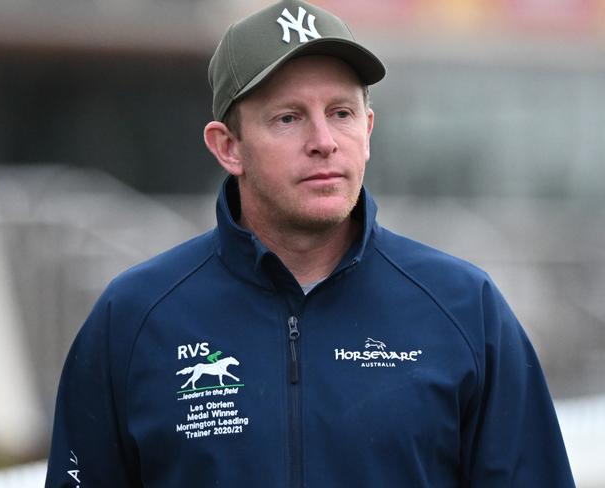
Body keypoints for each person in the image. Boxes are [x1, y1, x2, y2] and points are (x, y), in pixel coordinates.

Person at [45, 1, 575, 486]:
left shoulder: (464, 307)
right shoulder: (134, 317)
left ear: (367, 129)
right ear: (228, 147)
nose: (323, 141)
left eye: (341, 113)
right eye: (289, 118)